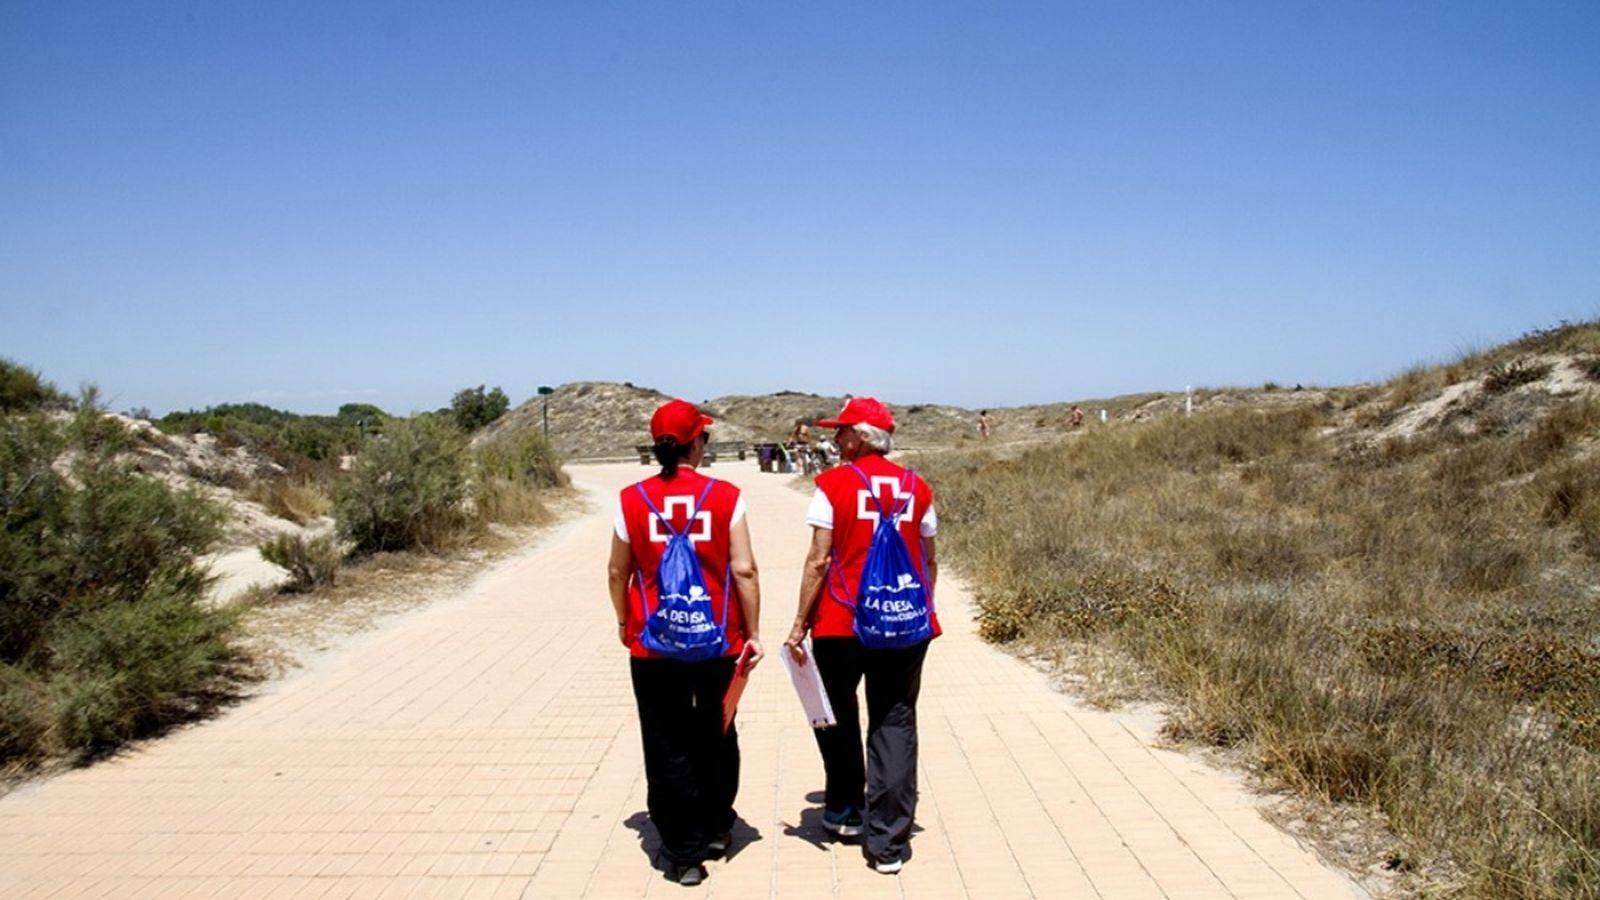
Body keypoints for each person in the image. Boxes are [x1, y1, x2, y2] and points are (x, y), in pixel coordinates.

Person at [608, 399, 764, 886]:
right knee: (717, 728)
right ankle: (718, 824)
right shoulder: (726, 496)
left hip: (655, 645)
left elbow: (618, 570)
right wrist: (754, 632)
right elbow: (744, 569)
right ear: (698, 443)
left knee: (665, 739)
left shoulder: (631, 499)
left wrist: (622, 620)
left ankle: (682, 851)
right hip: (718, 642)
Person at [783, 396, 939, 876]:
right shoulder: (918, 487)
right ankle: (889, 838)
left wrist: (799, 622)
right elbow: (929, 556)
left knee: (836, 713)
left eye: (843, 431)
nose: (836, 439)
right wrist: (918, 606)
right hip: (903, 624)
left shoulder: (833, 485)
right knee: (894, 718)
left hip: (840, 622)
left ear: (864, 437)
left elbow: (819, 559)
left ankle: (845, 809)